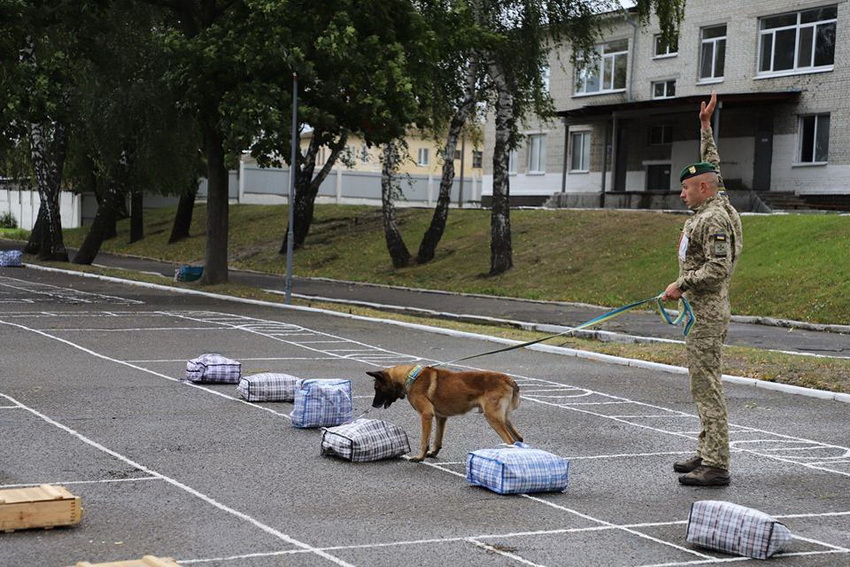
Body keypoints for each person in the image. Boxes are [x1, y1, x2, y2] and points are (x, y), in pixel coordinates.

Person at [662, 91, 742, 487]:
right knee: (701, 383)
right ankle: (707, 449)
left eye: (687, 188)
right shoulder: (716, 200)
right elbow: (713, 166)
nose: (682, 193)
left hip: (707, 313)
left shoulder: (713, 220)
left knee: (706, 386)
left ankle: (716, 464)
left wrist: (681, 283)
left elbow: (717, 268)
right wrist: (705, 127)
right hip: (699, 313)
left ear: (704, 190)